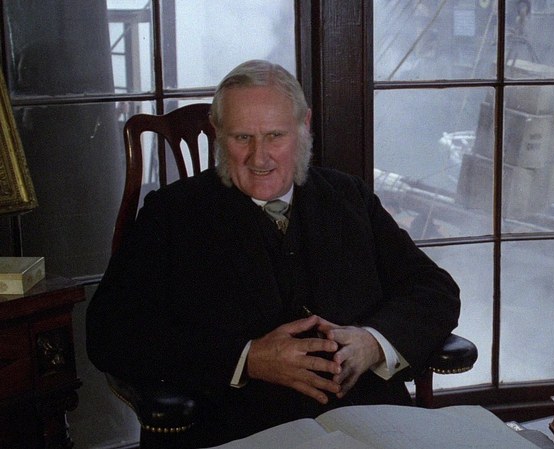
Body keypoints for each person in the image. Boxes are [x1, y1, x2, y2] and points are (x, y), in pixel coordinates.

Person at [86, 59, 461, 447]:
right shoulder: (170, 214)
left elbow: (434, 289)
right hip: (238, 429)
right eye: (242, 137)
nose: (259, 158)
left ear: (304, 126)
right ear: (217, 132)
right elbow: (109, 332)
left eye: (275, 136)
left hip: (370, 425)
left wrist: (372, 342)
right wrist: (246, 359)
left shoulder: (349, 197)